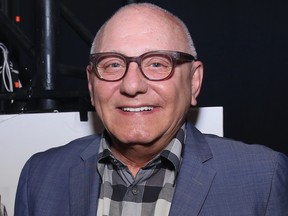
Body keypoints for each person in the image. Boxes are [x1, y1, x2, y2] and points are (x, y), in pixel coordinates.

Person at [14, 3, 288, 216]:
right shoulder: (39, 177)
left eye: (157, 64)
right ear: (91, 83)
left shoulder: (262, 179)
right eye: (113, 64)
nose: (132, 85)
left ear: (194, 82)